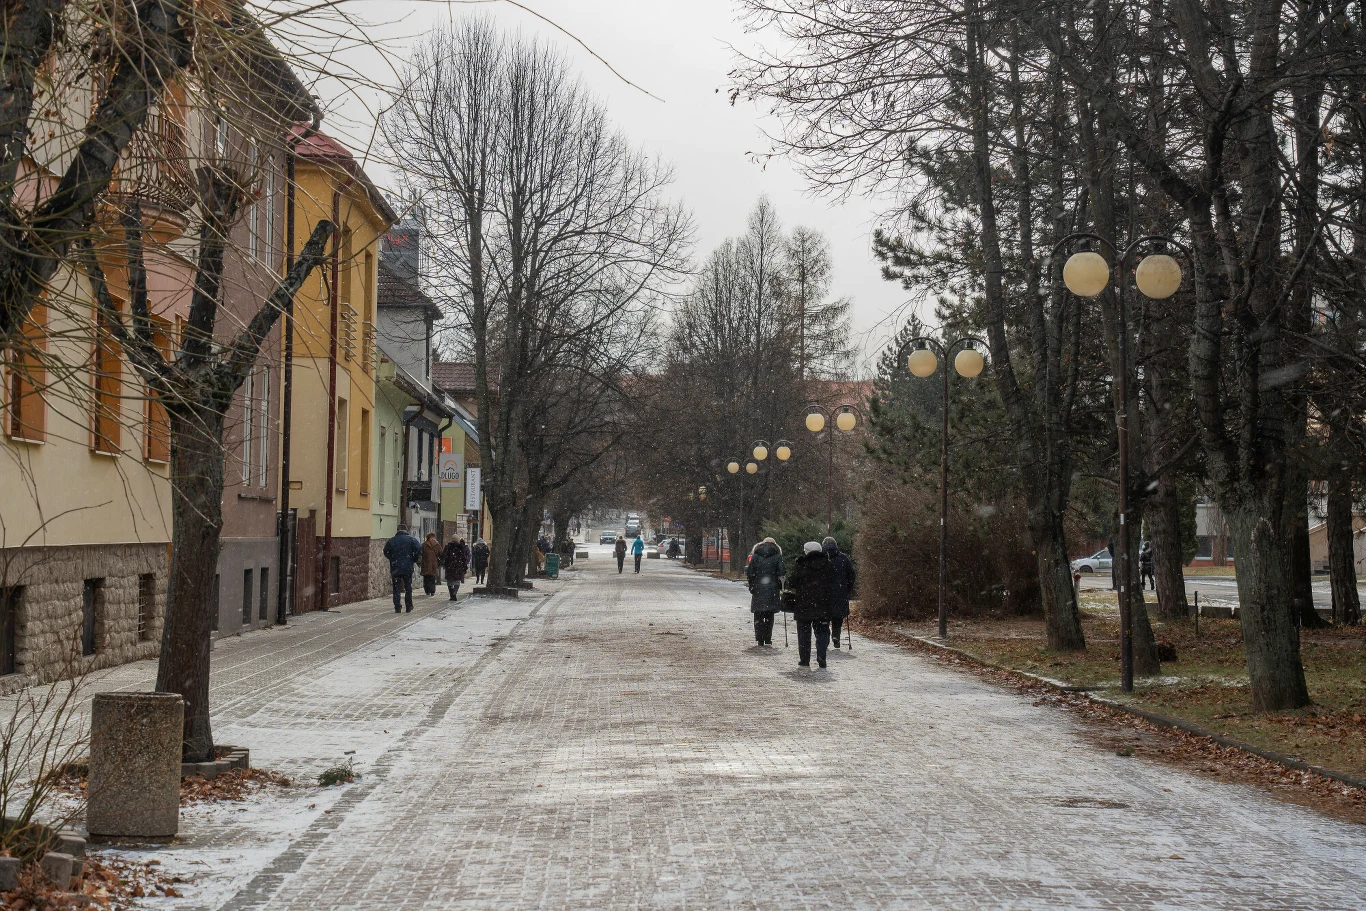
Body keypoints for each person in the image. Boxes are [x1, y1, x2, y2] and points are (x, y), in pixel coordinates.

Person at [787, 540, 836, 668]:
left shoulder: (801, 565)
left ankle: (804, 659)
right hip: (823, 604)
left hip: (804, 604)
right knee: (822, 632)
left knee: (804, 633)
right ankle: (821, 656)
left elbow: (792, 582)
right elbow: (834, 582)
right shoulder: (828, 565)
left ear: (806, 551)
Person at [746, 537, 784, 646]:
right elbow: (782, 572)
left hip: (758, 588)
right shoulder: (777, 556)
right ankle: (767, 638)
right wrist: (780, 584)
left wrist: (752, 584)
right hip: (772, 588)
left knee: (758, 614)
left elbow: (750, 572)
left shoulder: (756, 556)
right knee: (769, 614)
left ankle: (759, 638)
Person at [823, 536, 856, 647]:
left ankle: (825, 639)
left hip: (824, 592)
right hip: (840, 592)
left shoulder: (821, 558)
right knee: (837, 616)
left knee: (824, 617)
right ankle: (836, 636)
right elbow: (851, 575)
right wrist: (847, 588)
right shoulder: (843, 558)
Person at [383, 524, 423, 613]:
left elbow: (386, 551)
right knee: (408, 587)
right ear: (406, 531)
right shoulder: (411, 540)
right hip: (407, 567)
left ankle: (397, 606)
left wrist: (392, 558)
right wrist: (414, 558)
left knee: (396, 587)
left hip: (395, 567)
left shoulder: (392, 540)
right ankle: (408, 606)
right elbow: (419, 549)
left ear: (397, 530)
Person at [442, 536, 469, 600]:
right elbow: (464, 558)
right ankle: (454, 592)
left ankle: (452, 594)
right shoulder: (460, 547)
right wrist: (464, 566)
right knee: (457, 581)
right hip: (458, 566)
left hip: (450, 566)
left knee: (450, 581)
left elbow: (444, 556)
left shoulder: (448, 547)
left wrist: (445, 564)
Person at [420, 532, 441, 597]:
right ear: (428, 538)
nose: (432, 539)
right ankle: (427, 591)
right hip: (426, 564)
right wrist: (420, 562)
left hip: (433, 564)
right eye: (431, 537)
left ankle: (432, 591)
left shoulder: (437, 545)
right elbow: (420, 554)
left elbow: (441, 553)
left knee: (432, 578)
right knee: (426, 578)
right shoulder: (424, 545)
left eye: (433, 537)